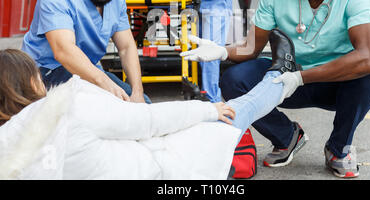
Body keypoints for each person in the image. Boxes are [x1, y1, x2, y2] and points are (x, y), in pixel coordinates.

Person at [181, 0, 370, 178]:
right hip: (285, 74)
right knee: (233, 78)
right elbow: (251, 47)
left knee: (368, 76)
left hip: (334, 80)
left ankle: (338, 148)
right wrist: (222, 51)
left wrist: (300, 77)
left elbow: (368, 58)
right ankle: (287, 137)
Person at [0, 41, 293, 179]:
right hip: (162, 170)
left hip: (145, 159)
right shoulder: (69, 107)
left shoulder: (9, 151)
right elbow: (149, 121)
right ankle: (283, 76)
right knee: (234, 111)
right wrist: (207, 110)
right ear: (29, 81)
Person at [22, 0, 150, 103]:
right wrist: (107, 85)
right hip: (46, 73)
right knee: (110, 106)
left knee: (143, 105)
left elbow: (126, 47)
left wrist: (137, 92)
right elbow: (63, 51)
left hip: (87, 70)